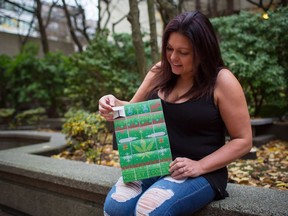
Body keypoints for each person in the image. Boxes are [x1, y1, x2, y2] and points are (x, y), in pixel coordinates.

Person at [99, 10, 252, 216]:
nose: (173, 57)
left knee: (147, 210)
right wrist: (113, 104)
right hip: (152, 163)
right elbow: (131, 109)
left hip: (201, 172)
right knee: (114, 208)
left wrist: (199, 165)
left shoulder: (222, 81)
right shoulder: (159, 71)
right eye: (169, 48)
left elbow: (243, 140)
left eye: (184, 52)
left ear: (204, 51)